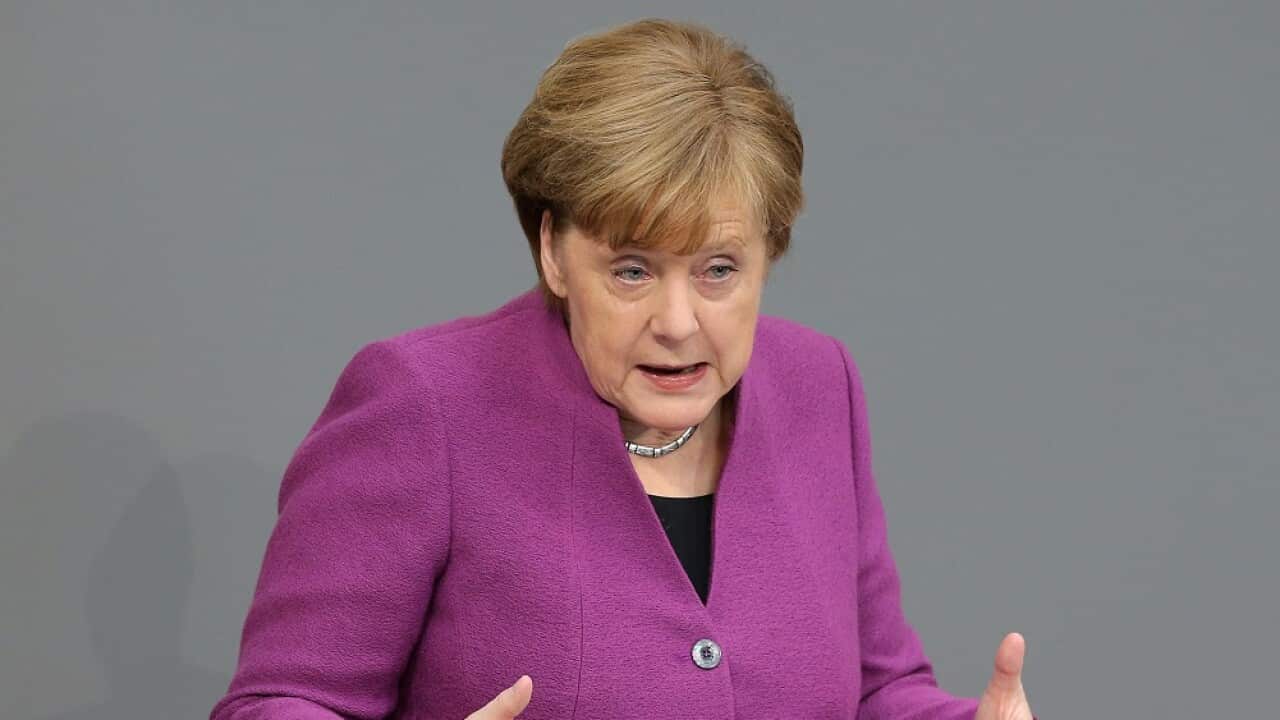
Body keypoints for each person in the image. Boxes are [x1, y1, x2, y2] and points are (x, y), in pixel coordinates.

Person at [209, 17, 1037, 720]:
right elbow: (283, 700)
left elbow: (878, 688)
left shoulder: (820, 385)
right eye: (632, 269)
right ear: (553, 251)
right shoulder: (425, 403)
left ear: (769, 256)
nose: (677, 324)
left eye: (718, 270)